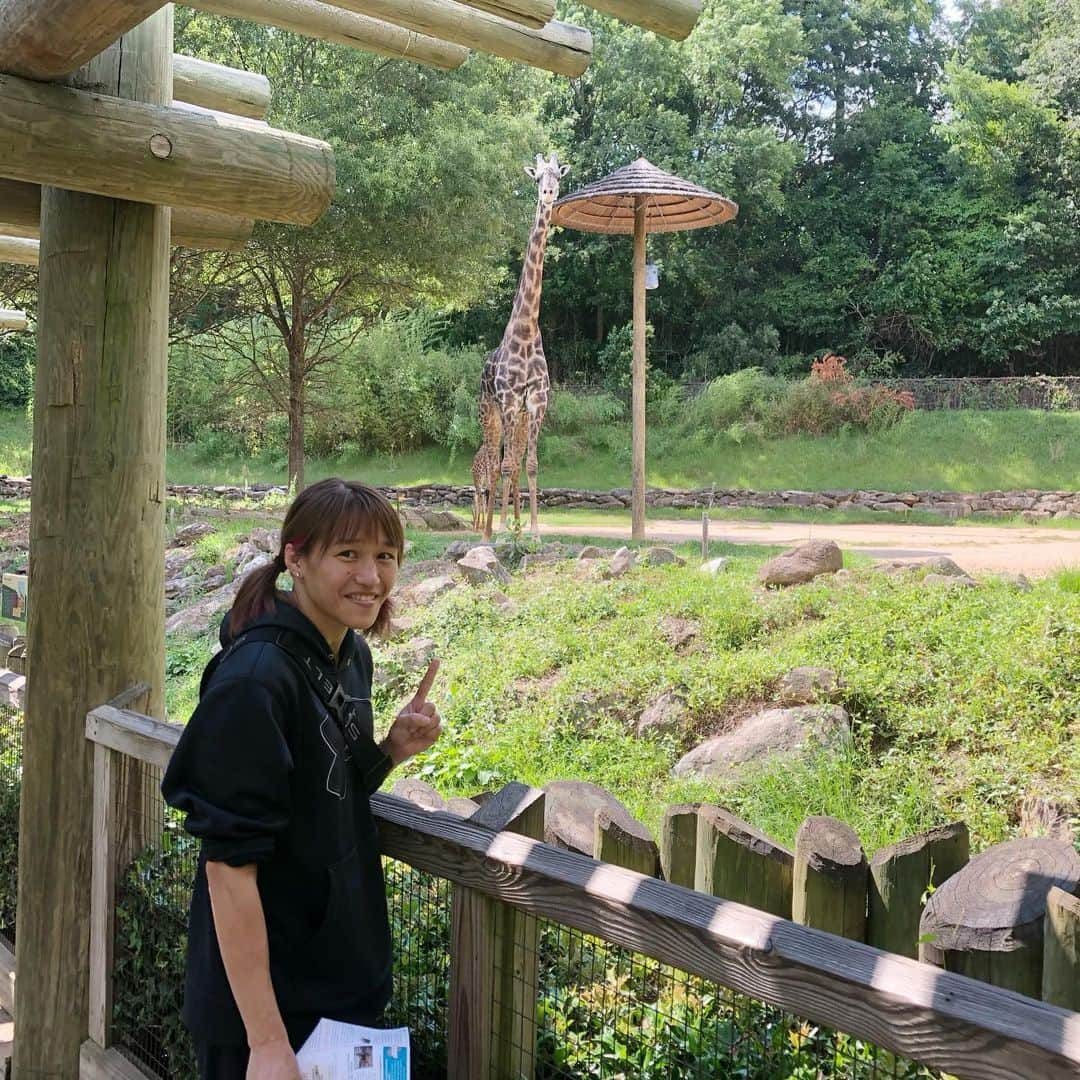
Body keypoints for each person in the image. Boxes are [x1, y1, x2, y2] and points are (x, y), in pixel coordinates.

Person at [162, 478, 441, 1079]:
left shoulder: (349, 657)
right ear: (296, 557)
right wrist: (266, 1044)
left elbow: (328, 790)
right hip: (267, 1014)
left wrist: (391, 750)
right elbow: (229, 867)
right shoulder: (254, 682)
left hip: (339, 990)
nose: (370, 576)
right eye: (348, 554)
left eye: (385, 556)